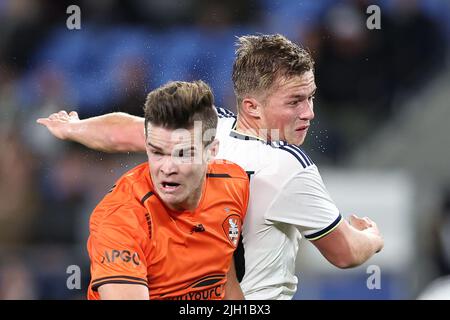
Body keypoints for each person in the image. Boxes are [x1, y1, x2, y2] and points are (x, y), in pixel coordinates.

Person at [38, 34, 384, 300]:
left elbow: (128, 130)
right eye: (294, 101)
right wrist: (371, 237)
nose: (309, 112)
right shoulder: (285, 166)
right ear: (252, 106)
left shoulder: (208, 127)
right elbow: (345, 253)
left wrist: (76, 127)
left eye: (310, 97)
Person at [82, 80, 249, 299]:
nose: (167, 168)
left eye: (182, 154)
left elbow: (226, 282)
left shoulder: (233, 183)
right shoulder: (120, 219)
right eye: (157, 153)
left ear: (211, 151)